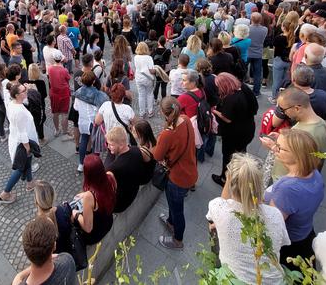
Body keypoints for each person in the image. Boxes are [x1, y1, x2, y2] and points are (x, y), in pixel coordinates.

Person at [206, 153, 290, 285]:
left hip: (235, 278)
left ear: (230, 182)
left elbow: (216, 211)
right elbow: (282, 242)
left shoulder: (219, 209)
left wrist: (229, 179)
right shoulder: (275, 215)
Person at [264, 130, 325, 268]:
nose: (276, 149)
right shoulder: (314, 174)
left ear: (297, 155)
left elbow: (272, 225)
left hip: (288, 245)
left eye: (280, 147)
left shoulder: (288, 189)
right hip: (305, 234)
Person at [154, 97, 197, 249]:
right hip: (190, 170)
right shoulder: (185, 119)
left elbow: (157, 156)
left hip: (177, 178)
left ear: (164, 113)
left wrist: (159, 138)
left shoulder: (168, 134)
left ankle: (178, 240)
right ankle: (171, 222)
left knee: (178, 210)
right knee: (173, 204)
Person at [211, 73, 258, 187]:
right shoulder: (243, 87)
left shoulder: (231, 98)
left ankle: (224, 178)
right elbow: (255, 107)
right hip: (248, 128)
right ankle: (240, 172)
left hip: (234, 134)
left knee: (228, 155)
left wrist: (214, 111)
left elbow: (227, 119)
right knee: (241, 152)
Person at [0, 83, 39, 204]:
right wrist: (27, 148)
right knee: (20, 168)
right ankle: (5, 193)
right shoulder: (19, 111)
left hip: (17, 139)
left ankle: (30, 183)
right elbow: (22, 133)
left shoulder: (13, 103)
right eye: (23, 91)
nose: (26, 91)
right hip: (23, 142)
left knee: (27, 163)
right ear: (16, 95)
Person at [12, 217, 77, 285]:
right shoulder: (67, 261)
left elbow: (17, 279)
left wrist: (20, 275)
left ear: (26, 252)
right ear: (54, 245)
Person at [70, 154, 115, 246]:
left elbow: (88, 228)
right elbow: (102, 190)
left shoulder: (89, 197)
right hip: (108, 221)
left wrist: (76, 214)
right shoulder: (110, 177)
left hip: (95, 234)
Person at [73, 71, 109, 173]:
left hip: (83, 121)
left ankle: (81, 164)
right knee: (96, 144)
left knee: (83, 140)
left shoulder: (78, 92)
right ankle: (94, 164)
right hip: (95, 122)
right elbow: (103, 109)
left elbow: (75, 107)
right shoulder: (99, 94)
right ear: (93, 81)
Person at [104, 126, 144, 213]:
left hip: (120, 204)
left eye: (111, 145)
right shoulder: (137, 150)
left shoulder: (114, 167)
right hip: (133, 192)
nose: (108, 147)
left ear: (121, 145)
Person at [290, 65, 326, 133]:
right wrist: (323, 133)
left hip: (295, 138)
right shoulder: (325, 96)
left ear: (293, 80)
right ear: (313, 79)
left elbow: (275, 122)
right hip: (316, 136)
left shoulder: (288, 98)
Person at [33, 180, 72, 255]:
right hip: (67, 251)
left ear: (36, 201)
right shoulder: (63, 210)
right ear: (53, 197)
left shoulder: (37, 227)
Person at [47, 51, 71, 137]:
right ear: (61, 58)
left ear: (54, 59)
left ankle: (57, 130)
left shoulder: (49, 69)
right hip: (64, 93)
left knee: (55, 113)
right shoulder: (64, 70)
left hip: (54, 93)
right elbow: (68, 79)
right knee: (64, 113)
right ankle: (65, 130)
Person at [247, 13, 268, 96]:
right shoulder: (264, 29)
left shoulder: (248, 29)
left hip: (248, 52)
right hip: (258, 53)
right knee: (257, 73)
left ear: (251, 19)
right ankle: (256, 91)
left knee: (243, 71)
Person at [133, 42, 156, 118]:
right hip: (148, 78)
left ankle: (142, 113)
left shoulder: (136, 57)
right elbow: (151, 70)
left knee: (141, 95)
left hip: (139, 78)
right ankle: (150, 111)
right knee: (149, 94)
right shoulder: (149, 58)